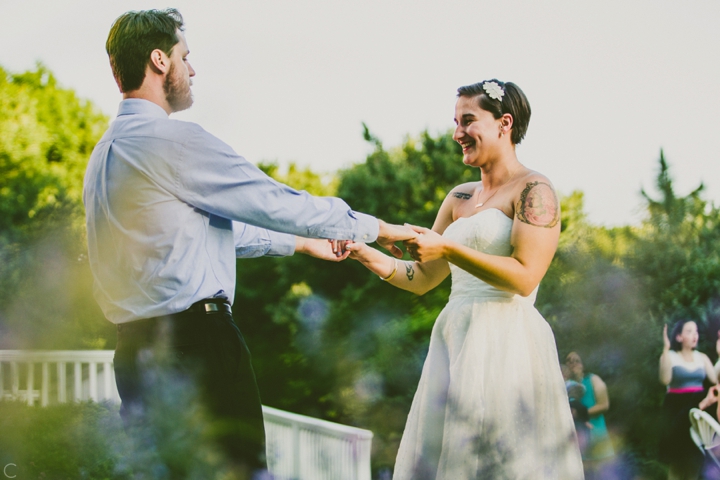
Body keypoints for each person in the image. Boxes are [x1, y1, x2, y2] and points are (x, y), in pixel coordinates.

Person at [83, 8, 415, 478]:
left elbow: (202, 233)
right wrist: (377, 228)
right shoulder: (172, 141)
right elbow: (272, 201)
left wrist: (301, 245)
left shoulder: (105, 153)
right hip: (197, 347)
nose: (192, 69)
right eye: (185, 56)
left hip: (133, 354)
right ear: (159, 60)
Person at [346, 80, 583, 479]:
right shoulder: (458, 197)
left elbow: (525, 277)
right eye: (456, 122)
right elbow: (421, 277)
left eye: (468, 121)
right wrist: (364, 252)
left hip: (509, 341)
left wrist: (450, 250)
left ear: (504, 123)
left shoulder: (534, 189)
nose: (458, 133)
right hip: (455, 337)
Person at [659, 320, 717, 479]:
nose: (695, 335)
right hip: (676, 407)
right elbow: (665, 380)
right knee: (678, 457)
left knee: (695, 455)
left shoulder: (702, 358)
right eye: (689, 331)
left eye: (696, 331)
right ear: (679, 336)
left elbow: (715, 380)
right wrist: (665, 348)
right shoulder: (670, 356)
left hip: (698, 407)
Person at [565, 351, 615, 476]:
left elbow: (604, 404)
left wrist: (581, 413)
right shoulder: (565, 385)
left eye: (576, 360)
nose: (573, 363)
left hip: (596, 433)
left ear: (583, 364)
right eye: (569, 361)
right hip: (577, 439)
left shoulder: (593, 379)